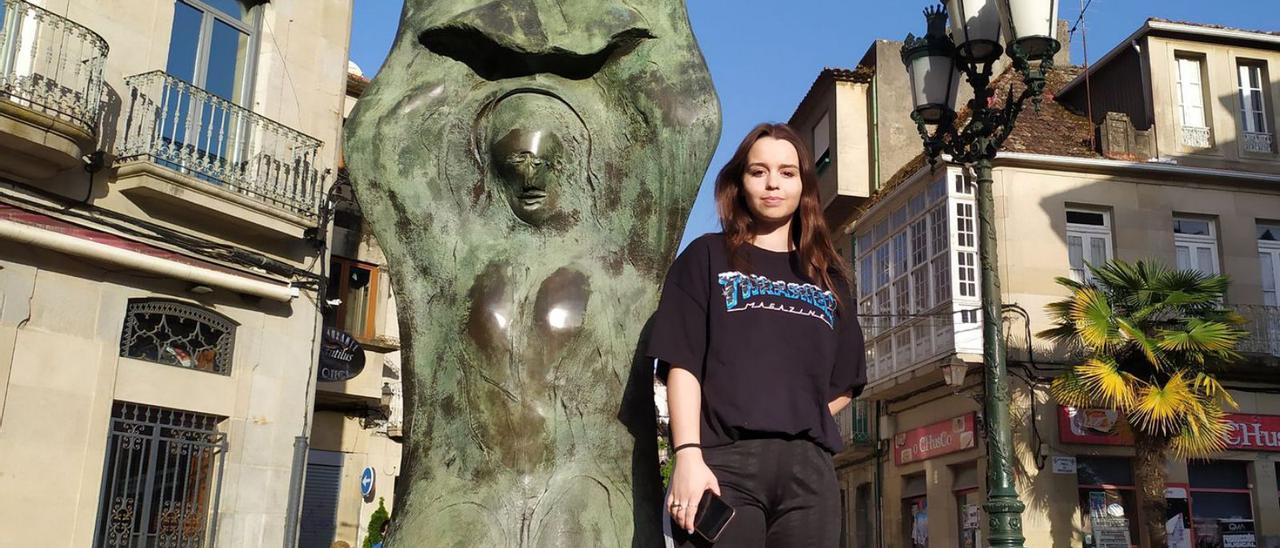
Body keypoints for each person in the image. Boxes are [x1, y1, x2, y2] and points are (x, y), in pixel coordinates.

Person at [649, 122, 867, 547]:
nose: (773, 183)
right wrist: (688, 454)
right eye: (758, 171)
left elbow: (845, 383)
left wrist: (791, 412)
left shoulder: (830, 277)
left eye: (787, 172)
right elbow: (683, 363)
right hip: (724, 465)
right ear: (740, 183)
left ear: (804, 184)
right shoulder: (706, 257)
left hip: (809, 474)